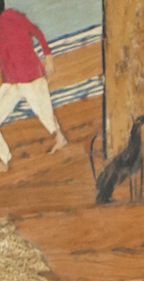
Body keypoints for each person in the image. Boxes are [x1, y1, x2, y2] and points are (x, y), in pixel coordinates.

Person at [0, 1, 67, 172]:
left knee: (43, 111)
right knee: (43, 110)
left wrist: (48, 57)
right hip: (14, 81)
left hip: (29, 77)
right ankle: (3, 159)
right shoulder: (13, 16)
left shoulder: (12, 17)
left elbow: (35, 31)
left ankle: (60, 139)